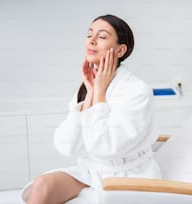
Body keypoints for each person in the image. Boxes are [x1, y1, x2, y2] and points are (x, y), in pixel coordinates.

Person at [20, 14, 161, 204]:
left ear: (120, 50)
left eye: (102, 37)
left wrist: (100, 94)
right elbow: (68, 146)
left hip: (129, 176)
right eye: (89, 35)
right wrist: (90, 94)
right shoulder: (88, 87)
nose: (92, 41)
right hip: (91, 171)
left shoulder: (137, 91)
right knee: (42, 185)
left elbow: (106, 147)